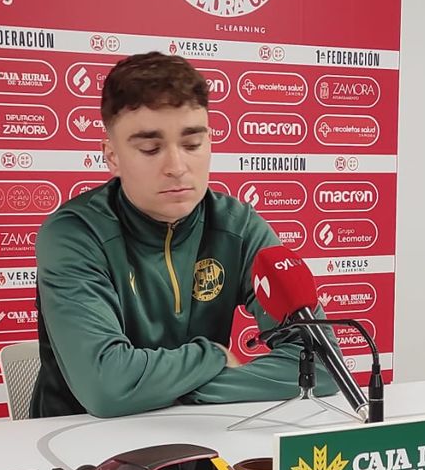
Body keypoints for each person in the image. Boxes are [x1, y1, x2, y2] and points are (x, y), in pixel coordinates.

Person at [29, 52, 334, 418]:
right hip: (81, 449)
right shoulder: (74, 234)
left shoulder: (238, 225)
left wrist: (176, 391)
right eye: (150, 148)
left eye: (192, 144)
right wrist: (213, 356)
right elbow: (106, 388)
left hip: (199, 439)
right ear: (112, 156)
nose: (176, 167)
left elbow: (321, 365)